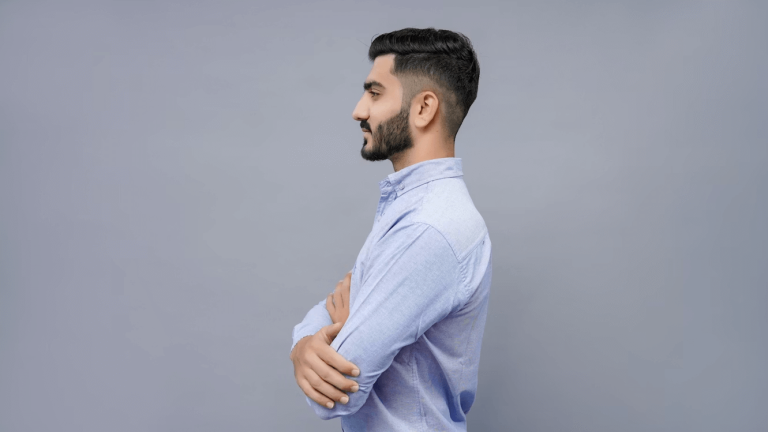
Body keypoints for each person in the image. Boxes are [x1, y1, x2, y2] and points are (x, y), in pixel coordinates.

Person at [289, 27, 492, 431]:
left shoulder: (430, 228)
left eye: (375, 93)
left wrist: (333, 332)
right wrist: (303, 344)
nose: (358, 110)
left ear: (423, 108)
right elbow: (334, 304)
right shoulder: (411, 209)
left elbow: (336, 393)